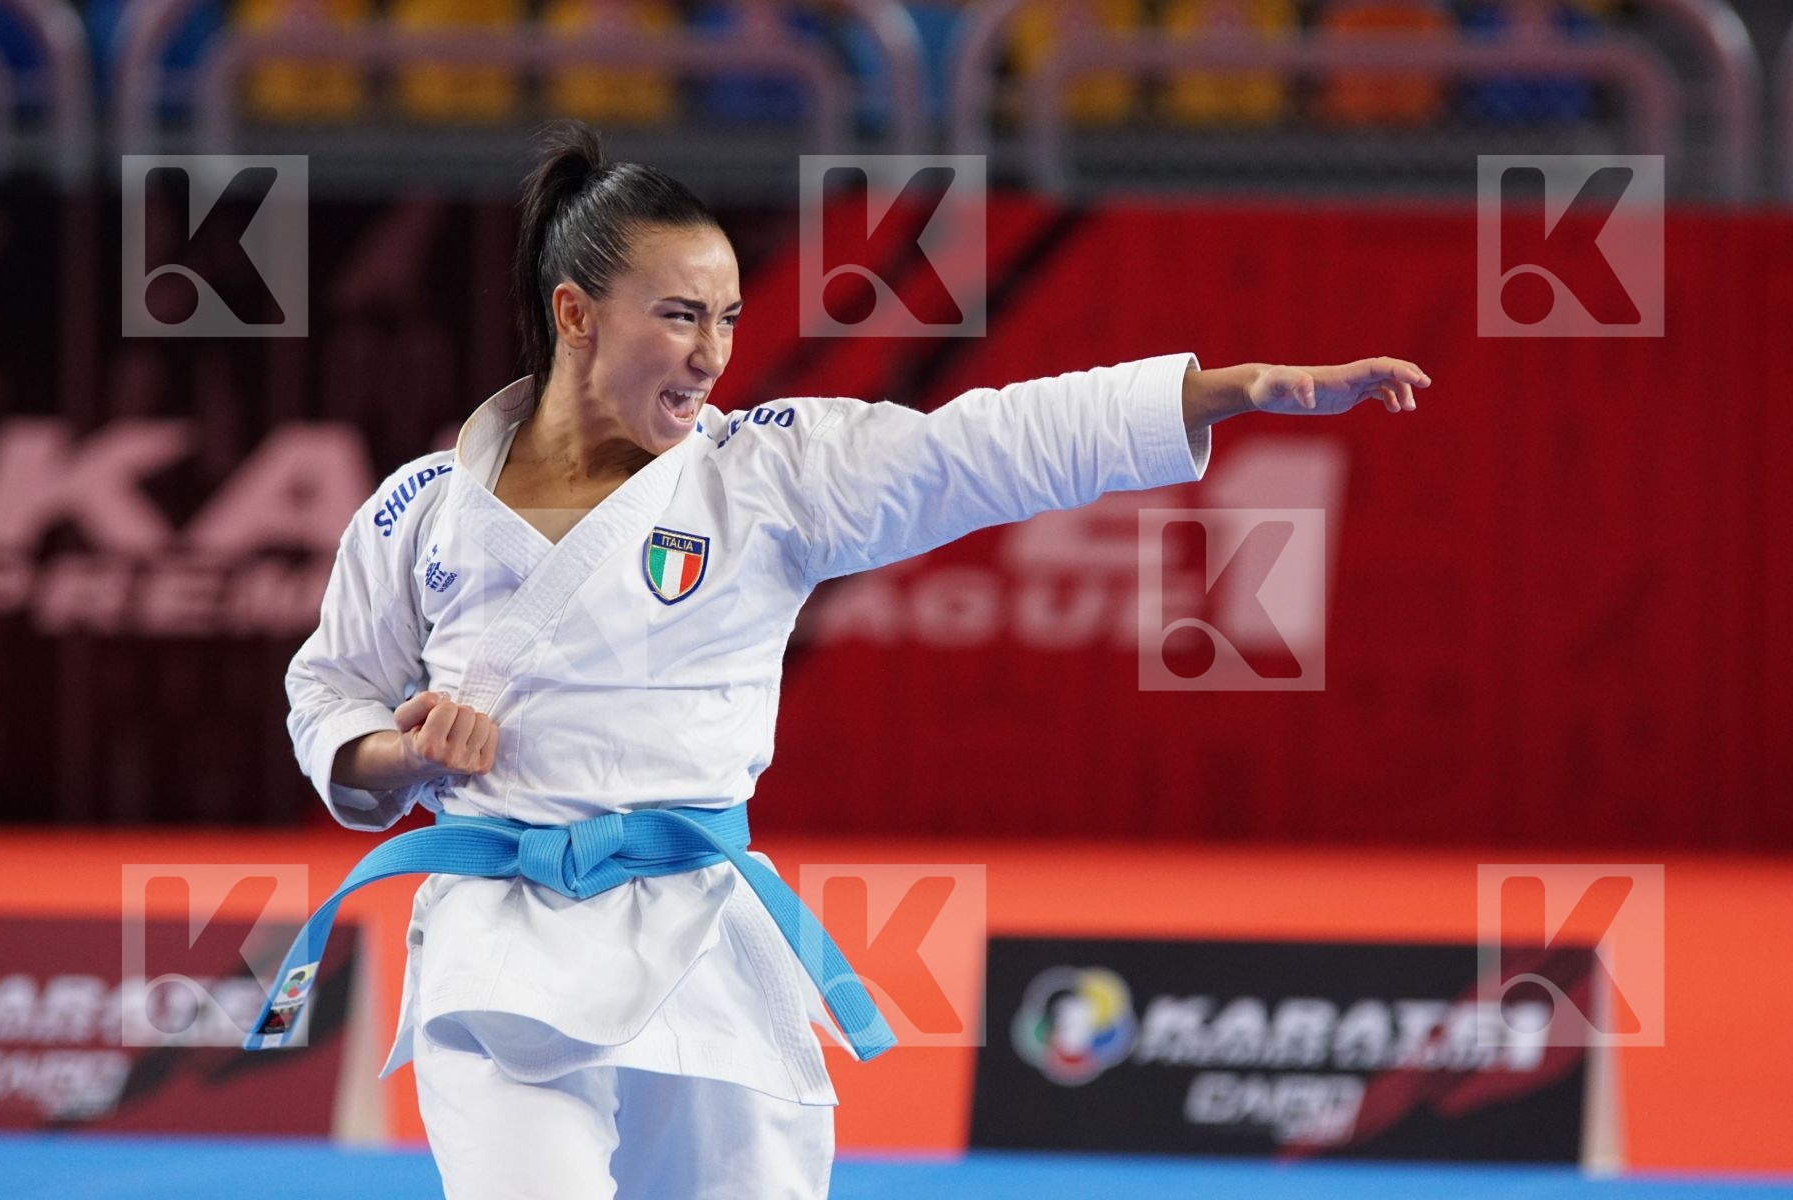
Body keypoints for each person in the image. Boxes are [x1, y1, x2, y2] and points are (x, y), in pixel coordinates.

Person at [253, 120, 1429, 1198]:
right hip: (497, 944)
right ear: (576, 317)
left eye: (725, 317)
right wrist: (391, 755)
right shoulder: (420, 511)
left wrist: (1225, 391)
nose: (713, 352)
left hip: (698, 933)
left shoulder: (763, 476)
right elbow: (331, 692)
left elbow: (986, 449)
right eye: (678, 315)